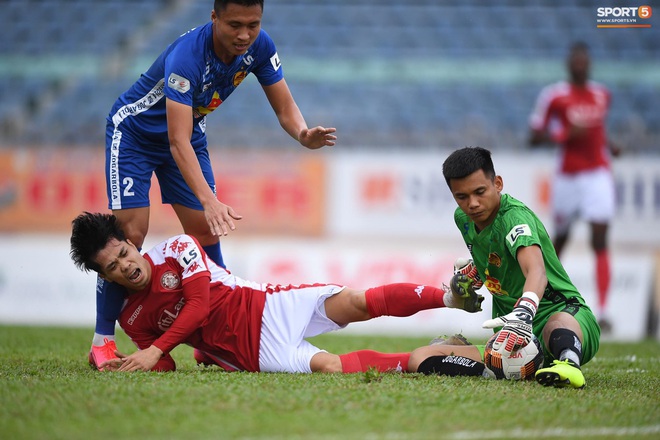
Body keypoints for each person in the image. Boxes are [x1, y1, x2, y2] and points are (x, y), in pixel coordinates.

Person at [90, 0, 337, 370]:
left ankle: (212, 336)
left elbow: (285, 107)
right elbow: (176, 142)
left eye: (253, 24)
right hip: (137, 135)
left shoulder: (260, 46)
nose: (244, 34)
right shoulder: (187, 60)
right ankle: (103, 341)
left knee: (206, 231)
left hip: (189, 133)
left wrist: (302, 134)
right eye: (234, 24)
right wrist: (209, 199)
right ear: (214, 18)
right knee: (130, 235)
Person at [70, 212, 485, 375]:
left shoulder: (177, 249)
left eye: (123, 253)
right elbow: (163, 368)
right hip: (253, 354)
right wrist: (133, 363)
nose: (125, 265)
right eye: (112, 267)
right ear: (105, 275)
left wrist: (155, 349)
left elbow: (199, 306)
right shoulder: (130, 318)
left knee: (358, 303)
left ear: (130, 242)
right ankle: (431, 356)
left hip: (266, 302)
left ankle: (449, 298)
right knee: (331, 369)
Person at [441, 146, 601, 389]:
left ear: (498, 183)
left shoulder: (516, 218)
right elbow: (496, 257)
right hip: (512, 339)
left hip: (565, 317)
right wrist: (476, 273)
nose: (472, 204)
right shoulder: (462, 219)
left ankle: (568, 364)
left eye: (480, 192)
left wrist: (524, 313)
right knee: (428, 355)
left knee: (554, 326)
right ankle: (496, 367)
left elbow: (536, 271)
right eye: (461, 197)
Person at [528, 41, 621, 333]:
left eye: (584, 61)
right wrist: (564, 134)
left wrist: (610, 144)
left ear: (589, 64)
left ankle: (603, 311)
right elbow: (533, 136)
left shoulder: (601, 94)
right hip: (567, 177)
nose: (580, 65)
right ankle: (544, 297)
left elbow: (598, 130)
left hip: (597, 175)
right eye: (576, 62)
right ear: (569, 65)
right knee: (560, 240)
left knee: (600, 238)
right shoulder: (554, 96)